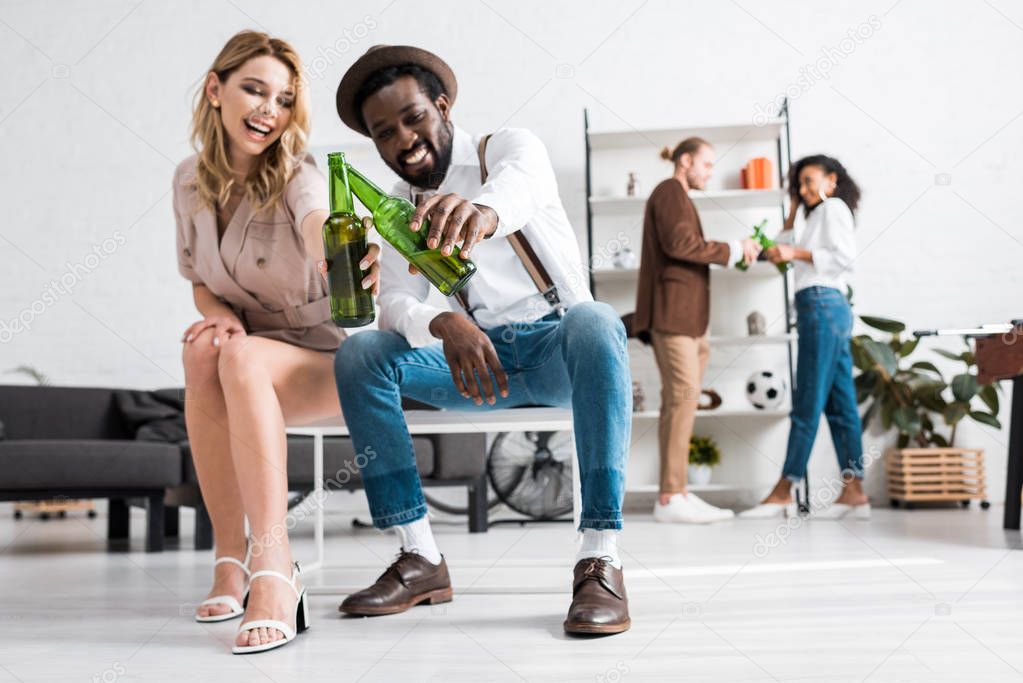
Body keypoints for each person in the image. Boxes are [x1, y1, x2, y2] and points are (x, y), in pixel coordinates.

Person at [331, 45, 633, 635]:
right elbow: (392, 303)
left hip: (558, 350)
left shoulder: (511, 149)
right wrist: (441, 322)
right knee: (362, 352)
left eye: (414, 117)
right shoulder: (394, 208)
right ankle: (419, 555)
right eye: (384, 132)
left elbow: (516, 192)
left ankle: (600, 558)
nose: (405, 140)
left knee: (595, 318)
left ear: (442, 107)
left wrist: (480, 213)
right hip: (476, 362)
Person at [174, 30, 381, 654]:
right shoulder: (188, 182)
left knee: (233, 352)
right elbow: (200, 282)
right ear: (216, 90)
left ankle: (275, 566)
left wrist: (344, 250)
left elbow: (318, 220)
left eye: (284, 99)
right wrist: (223, 316)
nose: (269, 109)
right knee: (204, 347)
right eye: (254, 90)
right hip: (250, 364)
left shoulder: (297, 172)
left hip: (328, 359)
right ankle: (228, 557)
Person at [633, 138, 760, 524]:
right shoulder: (670, 191)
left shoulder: (680, 195)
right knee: (682, 401)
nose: (709, 171)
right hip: (672, 319)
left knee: (682, 403)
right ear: (684, 160)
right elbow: (680, 244)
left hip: (688, 321)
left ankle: (678, 493)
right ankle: (671, 497)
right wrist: (734, 250)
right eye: (706, 163)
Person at [739, 154, 867, 520]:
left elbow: (847, 258)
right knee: (840, 403)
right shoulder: (813, 215)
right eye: (800, 184)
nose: (805, 188)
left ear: (831, 180)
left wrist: (795, 251)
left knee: (808, 400)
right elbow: (780, 252)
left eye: (811, 181)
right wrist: (793, 209)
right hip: (827, 308)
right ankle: (854, 490)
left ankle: (784, 489)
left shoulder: (834, 208)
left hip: (822, 305)